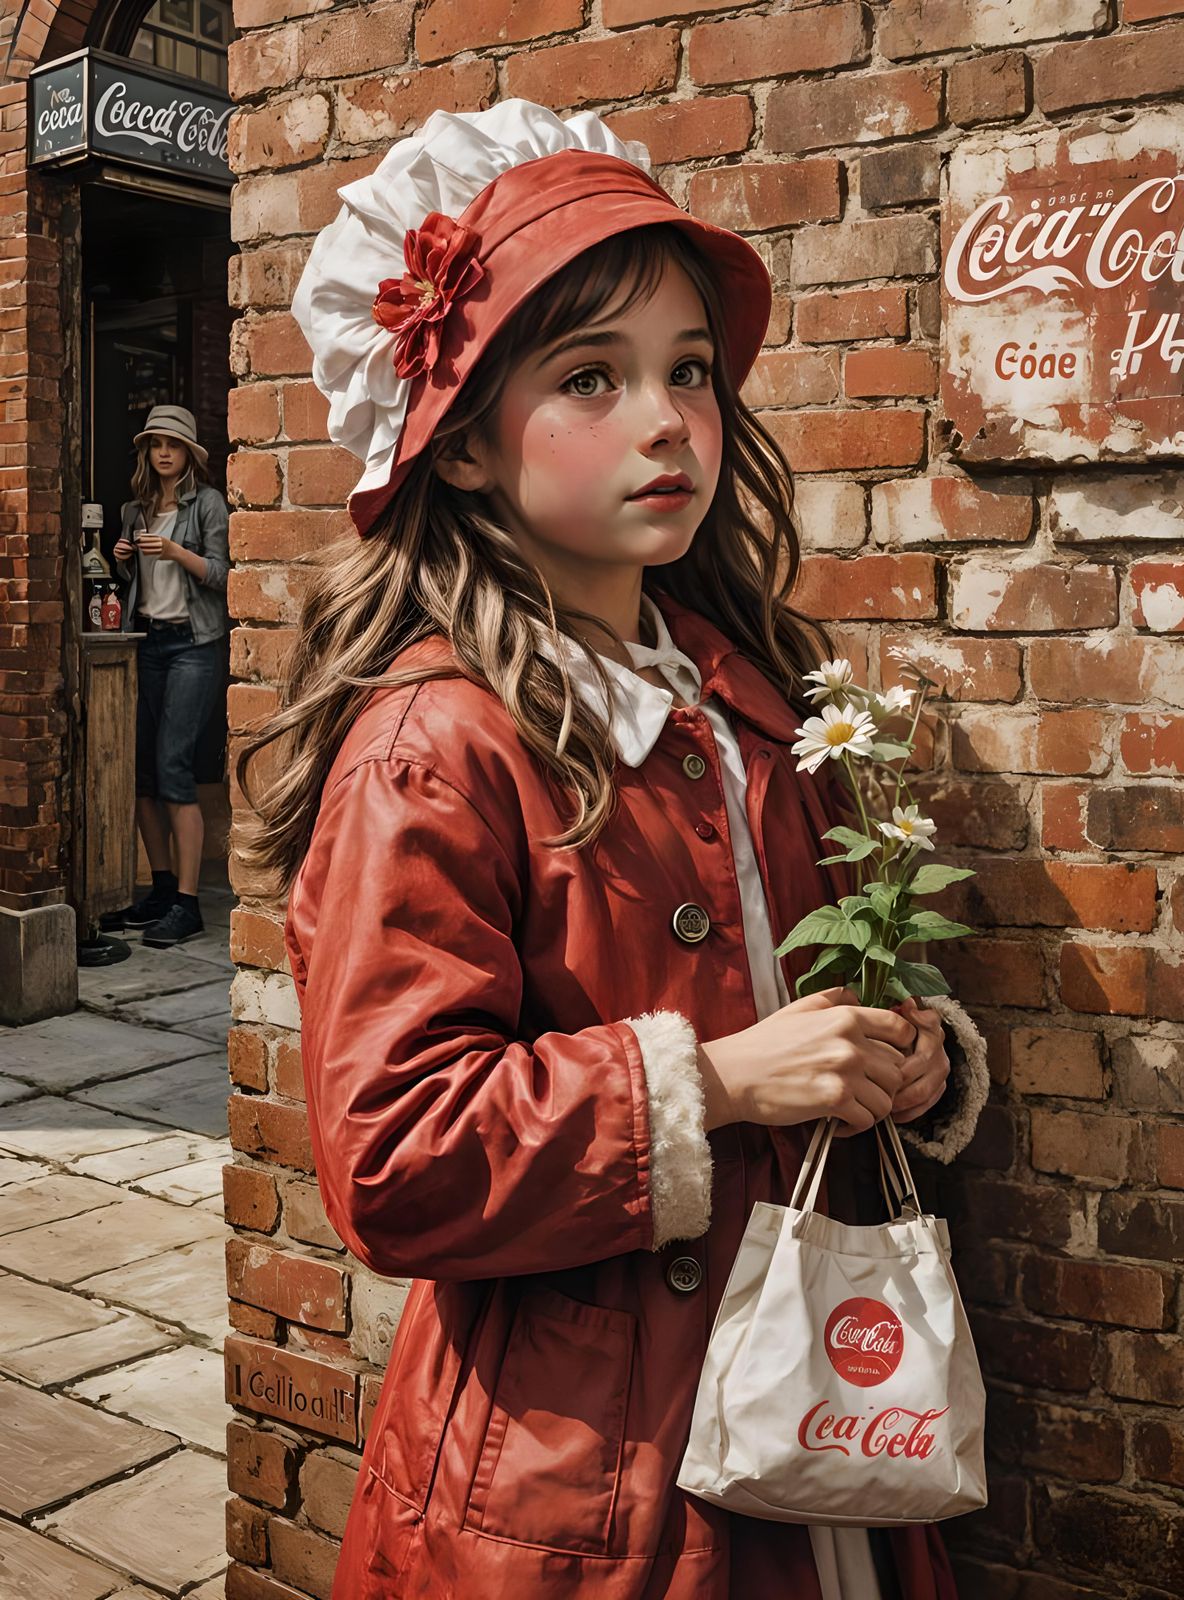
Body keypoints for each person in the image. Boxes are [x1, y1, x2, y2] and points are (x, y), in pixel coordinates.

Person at [234, 101, 988, 1600]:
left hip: (815, 1407)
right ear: (459, 446)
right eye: (592, 376)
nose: (667, 421)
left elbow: (799, 987)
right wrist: (715, 1082)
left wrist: (903, 1056)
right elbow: (392, 1157)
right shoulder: (437, 747)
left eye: (689, 371)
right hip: (581, 1476)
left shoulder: (754, 698)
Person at [102, 403, 231, 947]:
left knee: (174, 766)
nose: (162, 453)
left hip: (193, 646)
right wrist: (124, 558)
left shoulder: (208, 505)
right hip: (148, 643)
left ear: (188, 454)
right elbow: (138, 585)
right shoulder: (135, 510)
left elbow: (224, 576)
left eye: (172, 444)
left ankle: (188, 903)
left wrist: (177, 551)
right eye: (155, 444)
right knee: (143, 775)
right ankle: (160, 889)